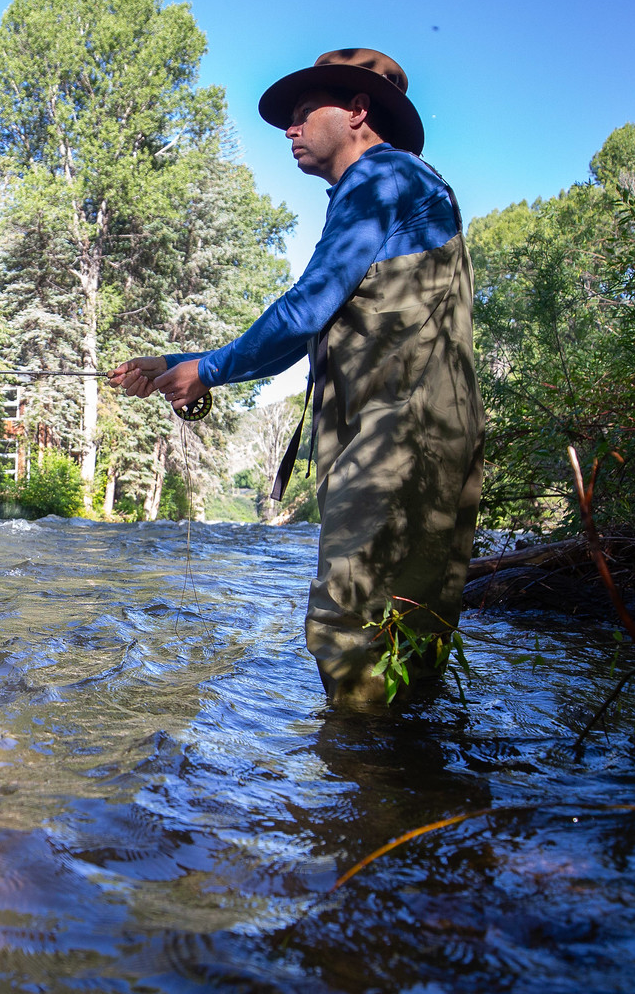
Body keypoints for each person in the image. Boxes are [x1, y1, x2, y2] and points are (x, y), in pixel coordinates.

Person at [111, 48, 484, 707]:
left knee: (353, 624)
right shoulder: (403, 187)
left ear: (358, 112)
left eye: (303, 113)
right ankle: (406, 785)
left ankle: (359, 786)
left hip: (396, 438)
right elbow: (320, 318)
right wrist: (177, 365)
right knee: (407, 630)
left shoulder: (380, 178)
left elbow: (306, 305)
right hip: (420, 437)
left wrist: (208, 369)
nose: (288, 128)